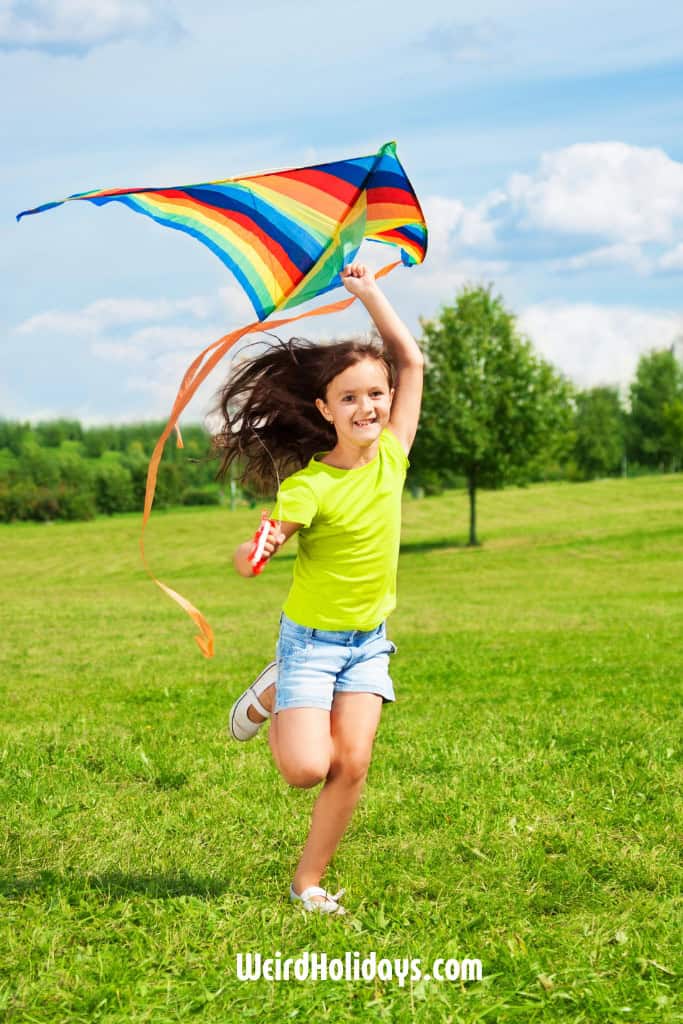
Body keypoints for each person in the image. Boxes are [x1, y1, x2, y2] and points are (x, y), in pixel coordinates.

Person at [217, 262, 423, 914]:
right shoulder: (309, 485)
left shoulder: (392, 455)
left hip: (367, 643)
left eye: (376, 394)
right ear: (323, 409)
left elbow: (411, 362)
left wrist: (369, 294)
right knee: (305, 769)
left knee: (351, 763)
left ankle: (307, 883)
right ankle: (275, 682)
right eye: (350, 397)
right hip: (309, 643)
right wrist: (260, 549)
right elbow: (255, 554)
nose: (367, 406)